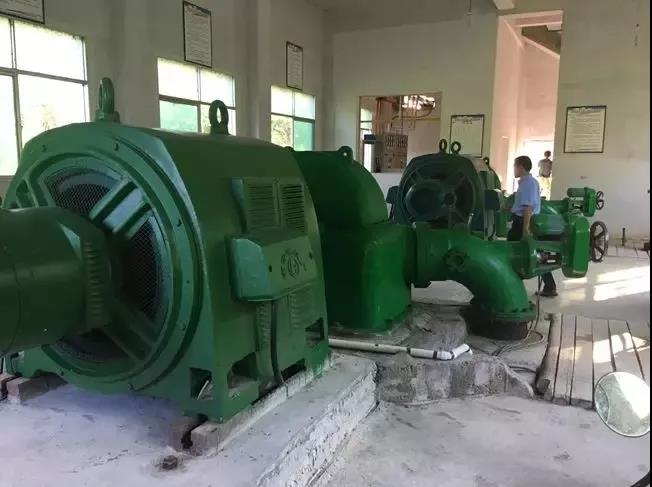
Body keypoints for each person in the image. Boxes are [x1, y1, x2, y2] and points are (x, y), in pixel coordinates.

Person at [507, 155, 557, 297]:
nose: (514, 169)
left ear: (521, 167)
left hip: (522, 223)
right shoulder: (527, 182)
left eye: (515, 166)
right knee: (534, 253)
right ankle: (550, 286)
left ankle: (512, 286)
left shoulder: (528, 184)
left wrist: (525, 230)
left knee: (513, 253)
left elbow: (528, 208)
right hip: (522, 221)